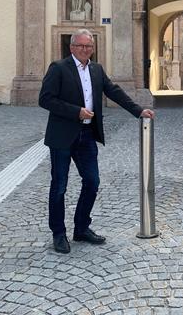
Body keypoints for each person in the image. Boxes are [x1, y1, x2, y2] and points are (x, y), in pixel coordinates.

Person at [39, 29, 155, 253]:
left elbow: (114, 92)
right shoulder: (59, 68)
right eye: (81, 46)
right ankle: (59, 234)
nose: (85, 50)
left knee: (92, 182)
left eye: (89, 46)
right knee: (59, 187)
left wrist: (139, 111)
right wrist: (76, 112)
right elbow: (45, 99)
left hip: (87, 135)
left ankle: (81, 228)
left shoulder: (96, 69)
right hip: (63, 136)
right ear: (72, 47)